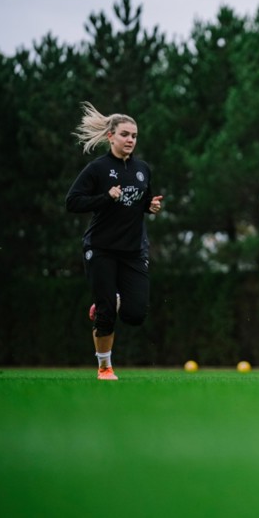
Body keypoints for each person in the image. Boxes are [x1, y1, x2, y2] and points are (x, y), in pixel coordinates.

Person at [65, 102, 163, 380]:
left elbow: (143, 201)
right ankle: (105, 367)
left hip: (133, 250)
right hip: (101, 248)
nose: (130, 139)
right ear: (111, 136)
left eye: (134, 135)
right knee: (106, 312)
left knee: (135, 314)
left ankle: (109, 300)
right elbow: (72, 202)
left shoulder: (143, 168)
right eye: (125, 134)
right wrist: (105, 197)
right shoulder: (97, 169)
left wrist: (150, 206)